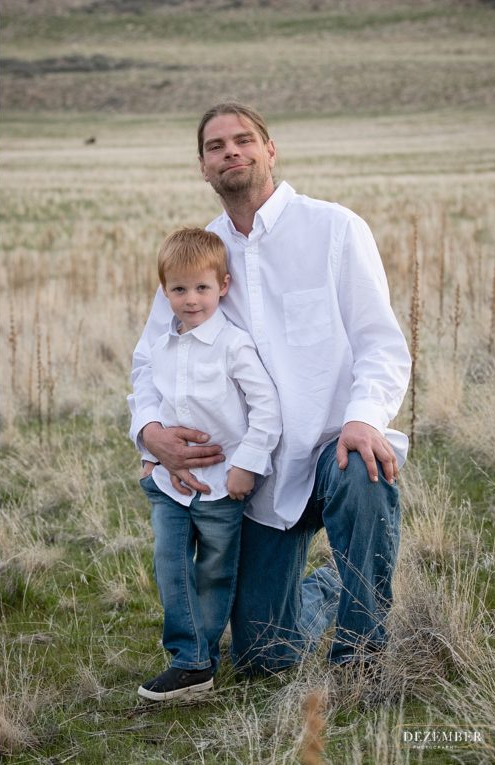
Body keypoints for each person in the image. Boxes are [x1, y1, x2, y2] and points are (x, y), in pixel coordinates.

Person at [129, 102, 410, 677]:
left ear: (269, 150)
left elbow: (380, 343)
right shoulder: (198, 256)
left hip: (333, 445)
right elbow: (148, 360)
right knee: (263, 655)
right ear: (203, 168)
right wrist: (150, 432)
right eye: (215, 146)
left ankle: (362, 658)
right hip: (253, 473)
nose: (231, 151)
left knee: (365, 470)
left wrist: (364, 418)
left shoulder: (333, 229)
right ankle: (330, 586)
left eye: (244, 140)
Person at [135, 227, 281, 701]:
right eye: (179, 289)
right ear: (165, 291)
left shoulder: (233, 345)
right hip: (171, 482)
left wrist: (248, 465)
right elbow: (148, 396)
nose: (190, 299)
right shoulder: (161, 345)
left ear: (223, 285)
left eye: (201, 287)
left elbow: (266, 408)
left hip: (223, 485)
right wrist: (147, 451)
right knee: (170, 563)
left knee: (215, 570)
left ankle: (201, 660)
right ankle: (190, 658)